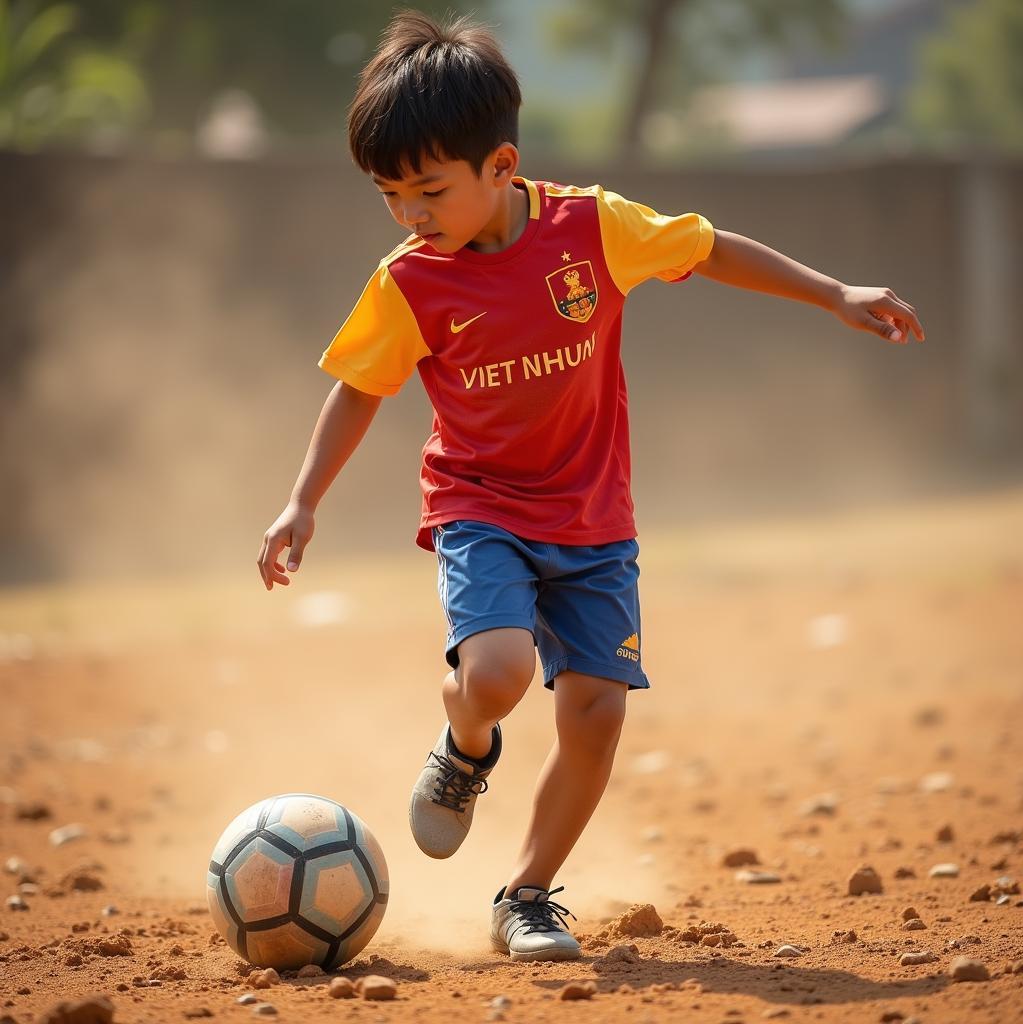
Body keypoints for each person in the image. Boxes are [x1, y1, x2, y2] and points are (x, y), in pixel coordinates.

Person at [257, 9, 925, 963]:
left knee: (598, 713)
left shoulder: (593, 226)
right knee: (496, 675)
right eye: (389, 194)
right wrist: (303, 498)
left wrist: (833, 294)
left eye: (428, 190)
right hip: (479, 503)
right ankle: (466, 744)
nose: (410, 213)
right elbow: (360, 386)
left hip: (593, 515)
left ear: (500, 166)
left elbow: (709, 247)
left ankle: (525, 895)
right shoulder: (410, 280)